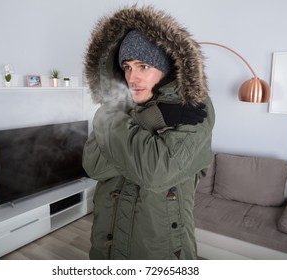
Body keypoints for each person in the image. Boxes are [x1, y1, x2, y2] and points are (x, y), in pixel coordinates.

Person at [82, 6, 215, 260]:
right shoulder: (117, 106)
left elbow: (155, 173)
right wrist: (153, 118)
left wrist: (115, 126)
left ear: (166, 68)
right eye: (127, 67)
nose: (132, 77)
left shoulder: (194, 106)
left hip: (159, 250)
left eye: (143, 66)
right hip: (107, 246)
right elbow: (94, 167)